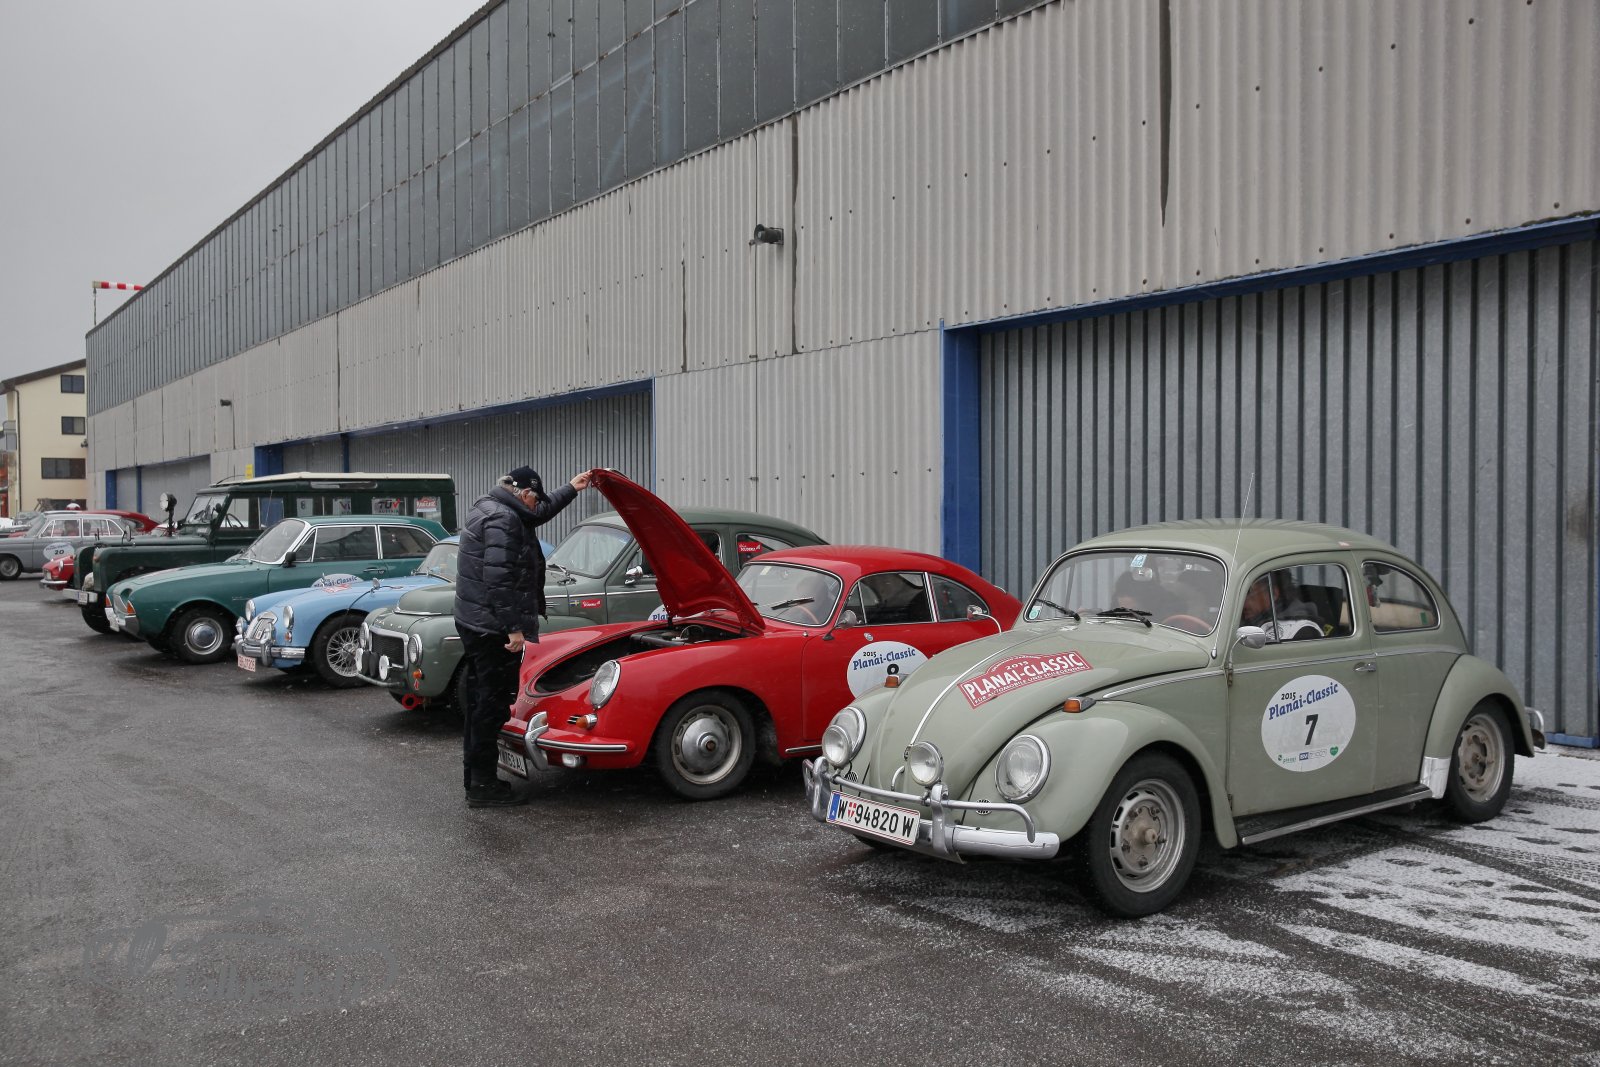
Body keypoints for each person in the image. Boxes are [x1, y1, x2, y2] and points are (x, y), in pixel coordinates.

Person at [454, 465, 593, 808]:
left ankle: (475, 777)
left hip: (474, 621)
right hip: (492, 629)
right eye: (535, 498)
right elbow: (498, 579)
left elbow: (537, 513)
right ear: (524, 494)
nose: (537, 505)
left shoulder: (492, 505)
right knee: (491, 706)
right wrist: (512, 628)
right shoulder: (504, 521)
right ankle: (483, 787)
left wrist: (571, 488)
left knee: (478, 702)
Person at [1240, 571, 1322, 641]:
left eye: (1248, 594)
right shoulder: (1246, 622)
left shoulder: (1302, 631)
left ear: (1273, 594)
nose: (1243, 604)